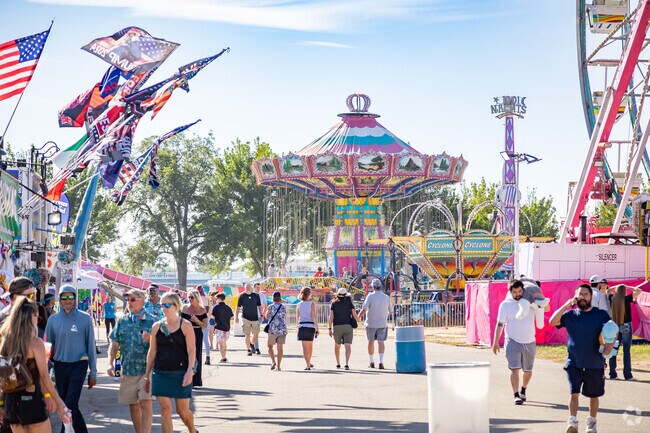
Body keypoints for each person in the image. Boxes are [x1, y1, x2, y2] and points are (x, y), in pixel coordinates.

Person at [549, 284, 613, 433]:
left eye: (585, 294)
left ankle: (591, 423)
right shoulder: (570, 315)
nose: (582, 297)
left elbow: (612, 330)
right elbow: (552, 321)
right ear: (575, 297)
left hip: (595, 362)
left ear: (591, 297)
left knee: (593, 395)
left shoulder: (601, 314)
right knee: (574, 393)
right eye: (580, 294)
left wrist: (609, 345)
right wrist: (566, 305)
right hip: (574, 362)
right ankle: (572, 422)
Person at [0, 297, 70, 432]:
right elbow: (44, 376)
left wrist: (1, 404)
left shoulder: (4, 342)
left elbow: (2, 376)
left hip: (11, 403)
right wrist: (59, 403)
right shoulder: (35, 343)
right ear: (31, 317)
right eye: (37, 316)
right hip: (32, 402)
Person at [45, 285, 97, 433]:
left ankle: (64, 431)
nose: (68, 300)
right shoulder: (53, 320)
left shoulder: (85, 318)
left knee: (69, 403)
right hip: (60, 367)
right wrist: (46, 374)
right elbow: (47, 348)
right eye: (64, 297)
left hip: (79, 365)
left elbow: (91, 346)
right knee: (68, 404)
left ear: (75, 298)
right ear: (59, 299)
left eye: (70, 297)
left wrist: (93, 373)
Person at [144, 293, 197, 433]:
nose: (164, 308)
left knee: (182, 411)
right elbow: (152, 352)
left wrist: (190, 371)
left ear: (176, 306)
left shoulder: (185, 325)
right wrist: (146, 376)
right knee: (166, 410)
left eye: (167, 305)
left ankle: (192, 430)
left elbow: (192, 350)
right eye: (162, 305)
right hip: (161, 373)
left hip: (181, 373)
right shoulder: (156, 326)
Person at [107, 289, 156, 433]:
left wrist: (151, 340)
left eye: (132, 300)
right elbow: (114, 343)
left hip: (147, 370)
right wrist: (110, 363)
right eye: (127, 300)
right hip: (128, 370)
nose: (129, 303)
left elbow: (163, 345)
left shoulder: (153, 321)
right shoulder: (122, 321)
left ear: (142, 301)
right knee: (133, 405)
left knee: (145, 403)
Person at [492, 280, 542, 405]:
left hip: (530, 341)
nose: (518, 294)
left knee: (528, 371)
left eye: (520, 291)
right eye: (515, 292)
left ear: (523, 290)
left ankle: (523, 389)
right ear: (510, 292)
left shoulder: (530, 301)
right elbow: (500, 323)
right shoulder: (505, 304)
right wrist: (496, 341)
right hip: (512, 340)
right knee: (514, 369)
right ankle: (516, 395)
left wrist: (538, 301)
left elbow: (546, 308)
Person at [608, 283, 643, 380]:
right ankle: (627, 375)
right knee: (626, 351)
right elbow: (639, 291)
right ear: (624, 291)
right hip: (626, 325)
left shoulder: (612, 298)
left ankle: (613, 374)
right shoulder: (627, 299)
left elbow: (608, 290)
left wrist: (617, 287)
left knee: (614, 350)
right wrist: (627, 286)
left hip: (615, 326)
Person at [358, 278, 390, 370]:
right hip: (382, 323)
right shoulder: (386, 297)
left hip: (371, 323)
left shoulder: (370, 296)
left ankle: (371, 361)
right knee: (381, 342)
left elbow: (364, 309)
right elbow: (391, 310)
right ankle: (381, 361)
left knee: (371, 342)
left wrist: (358, 317)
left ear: (373, 286)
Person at [181, 290, 208, 386]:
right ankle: (184, 378)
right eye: (189, 297)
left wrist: (197, 321)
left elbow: (205, 325)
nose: (190, 299)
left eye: (192, 297)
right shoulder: (184, 308)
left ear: (197, 298)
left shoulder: (202, 310)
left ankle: (195, 380)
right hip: (184, 333)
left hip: (196, 332)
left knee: (196, 355)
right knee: (184, 355)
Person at [328, 288, 359, 370]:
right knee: (347, 345)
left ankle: (338, 363)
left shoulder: (334, 303)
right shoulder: (349, 303)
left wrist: (329, 328)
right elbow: (354, 314)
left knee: (337, 345)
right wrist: (358, 320)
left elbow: (331, 317)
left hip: (337, 326)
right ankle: (346, 364)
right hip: (348, 326)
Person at [235, 283, 262, 356]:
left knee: (256, 333)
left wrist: (261, 314)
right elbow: (238, 307)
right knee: (247, 334)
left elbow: (259, 306)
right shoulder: (242, 296)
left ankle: (252, 344)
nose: (248, 288)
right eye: (246, 287)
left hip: (255, 318)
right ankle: (248, 350)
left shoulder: (256, 296)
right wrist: (236, 316)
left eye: (249, 287)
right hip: (245, 318)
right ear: (244, 288)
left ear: (252, 288)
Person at [297, 287, 319, 370]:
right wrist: (317, 328)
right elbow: (314, 316)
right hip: (310, 326)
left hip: (302, 326)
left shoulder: (299, 304)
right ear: (308, 294)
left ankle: (307, 364)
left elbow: (297, 317)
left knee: (304, 347)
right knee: (310, 346)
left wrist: (297, 326)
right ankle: (309, 362)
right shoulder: (311, 304)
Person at [266, 291, 287, 371]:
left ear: (273, 298)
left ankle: (273, 361)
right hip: (282, 329)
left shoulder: (270, 307)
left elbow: (267, 316)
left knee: (270, 346)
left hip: (273, 329)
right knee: (280, 348)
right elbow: (285, 316)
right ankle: (278, 366)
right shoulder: (283, 307)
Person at [211, 293, 233, 363]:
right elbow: (232, 318)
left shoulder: (216, 307)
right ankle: (224, 356)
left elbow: (212, 317)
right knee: (224, 342)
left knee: (221, 343)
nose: (216, 300)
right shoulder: (228, 308)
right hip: (227, 327)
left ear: (219, 299)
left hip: (219, 327)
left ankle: (223, 358)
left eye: (216, 299)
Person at [253, 283, 268, 355]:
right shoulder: (251, 295)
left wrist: (263, 314)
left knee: (256, 332)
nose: (258, 288)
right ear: (254, 288)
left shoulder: (262, 295)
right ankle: (252, 345)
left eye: (259, 287)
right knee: (253, 332)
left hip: (259, 316)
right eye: (257, 287)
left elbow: (265, 305)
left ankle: (256, 348)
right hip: (251, 316)